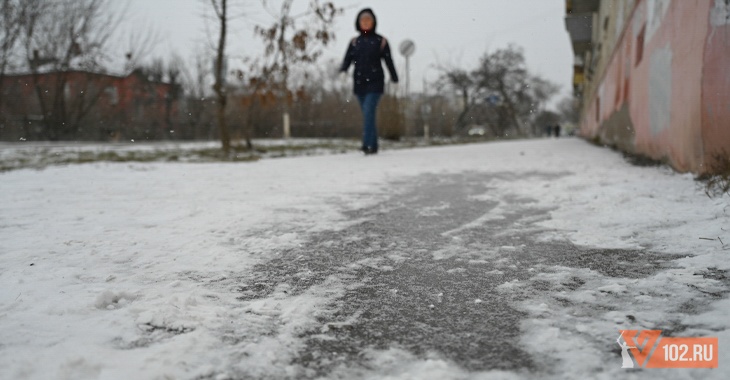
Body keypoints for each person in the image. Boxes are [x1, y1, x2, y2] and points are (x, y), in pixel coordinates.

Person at [340, 8, 399, 155]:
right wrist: (343, 70)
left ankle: (367, 145)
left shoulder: (381, 41)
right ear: (358, 23)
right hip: (359, 82)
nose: (366, 23)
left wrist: (394, 77)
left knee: (368, 111)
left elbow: (388, 61)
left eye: (368, 20)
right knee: (368, 115)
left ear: (373, 22)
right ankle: (373, 144)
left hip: (375, 82)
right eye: (363, 20)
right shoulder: (354, 42)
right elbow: (347, 58)